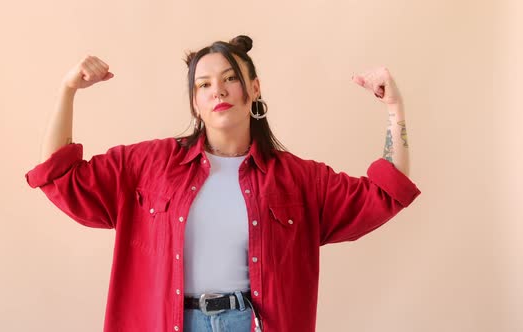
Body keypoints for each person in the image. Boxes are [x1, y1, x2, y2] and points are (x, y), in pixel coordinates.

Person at [25, 35, 421, 332]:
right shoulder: (148, 166)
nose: (218, 90)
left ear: (254, 88)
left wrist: (394, 108)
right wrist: (68, 90)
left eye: (231, 78)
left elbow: (387, 192)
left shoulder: (297, 180)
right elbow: (57, 176)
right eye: (204, 84)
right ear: (195, 102)